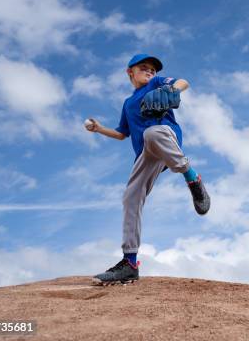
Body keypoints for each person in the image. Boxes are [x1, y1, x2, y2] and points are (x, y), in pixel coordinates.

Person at [87, 53, 210, 285]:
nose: (150, 72)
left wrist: (173, 90)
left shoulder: (156, 83)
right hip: (146, 153)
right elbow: (122, 133)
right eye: (144, 68)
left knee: (152, 133)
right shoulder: (128, 103)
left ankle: (193, 179)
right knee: (130, 197)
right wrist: (100, 129)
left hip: (166, 138)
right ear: (129, 71)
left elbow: (183, 82)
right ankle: (130, 263)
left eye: (153, 69)